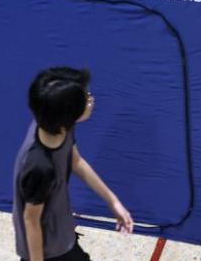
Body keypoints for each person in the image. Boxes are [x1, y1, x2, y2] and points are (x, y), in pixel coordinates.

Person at [13, 67, 133, 261]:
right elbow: (31, 220)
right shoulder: (40, 167)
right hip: (48, 250)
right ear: (67, 115)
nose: (91, 100)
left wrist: (113, 201)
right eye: (85, 98)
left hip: (60, 231)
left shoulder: (57, 126)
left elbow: (76, 161)